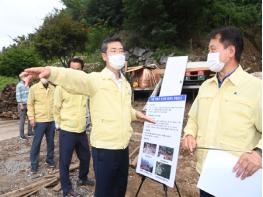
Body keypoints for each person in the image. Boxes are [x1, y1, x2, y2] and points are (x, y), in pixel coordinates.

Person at [21, 37, 155, 197]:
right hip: (105, 148)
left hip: (123, 146)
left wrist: (136, 114)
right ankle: (67, 188)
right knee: (104, 192)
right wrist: (51, 72)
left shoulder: (125, 84)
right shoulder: (96, 79)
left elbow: (123, 109)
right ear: (104, 56)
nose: (119, 54)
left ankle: (85, 179)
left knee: (120, 189)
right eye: (113, 51)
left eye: (121, 51)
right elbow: (74, 77)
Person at [182, 26, 262, 197]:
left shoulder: (256, 88)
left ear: (230, 51)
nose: (208, 55)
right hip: (207, 175)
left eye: (212, 49)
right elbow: (193, 119)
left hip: (239, 178)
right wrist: (189, 134)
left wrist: (259, 153)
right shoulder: (205, 86)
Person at [54, 57, 95, 197]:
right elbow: (56, 107)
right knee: (65, 161)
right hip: (67, 130)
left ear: (82, 70)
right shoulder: (61, 86)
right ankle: (66, 189)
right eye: (72, 70)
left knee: (85, 157)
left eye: (78, 70)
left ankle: (82, 178)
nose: (75, 73)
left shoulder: (85, 87)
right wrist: (59, 124)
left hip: (81, 129)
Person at [27, 78, 56, 174]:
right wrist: (31, 118)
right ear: (40, 77)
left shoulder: (53, 88)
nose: (45, 78)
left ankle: (50, 160)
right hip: (39, 121)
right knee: (37, 143)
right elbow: (30, 104)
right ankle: (34, 164)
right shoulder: (34, 88)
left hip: (51, 120)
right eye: (43, 76)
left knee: (51, 142)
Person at [16, 75, 33, 140]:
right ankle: (21, 135)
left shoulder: (27, 84)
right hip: (22, 105)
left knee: (30, 118)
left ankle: (30, 132)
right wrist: (21, 105)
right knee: (22, 121)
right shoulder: (19, 85)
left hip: (28, 104)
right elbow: (18, 96)